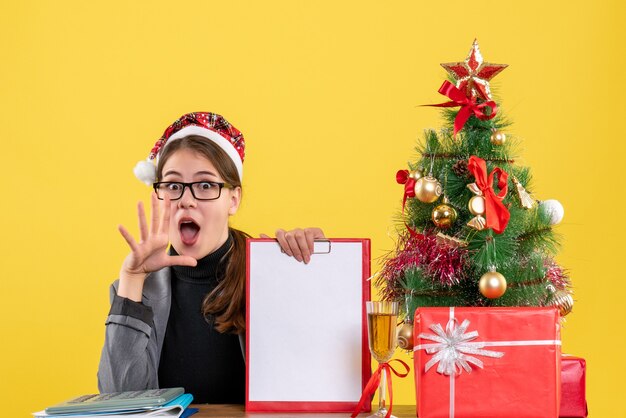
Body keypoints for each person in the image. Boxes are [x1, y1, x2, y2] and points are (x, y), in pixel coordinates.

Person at [97, 112, 324, 403]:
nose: (186, 200)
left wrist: (314, 271)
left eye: (205, 185)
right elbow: (119, 402)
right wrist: (131, 282)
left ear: (233, 199)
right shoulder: (139, 290)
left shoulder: (270, 272)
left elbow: (315, 378)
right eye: (173, 185)